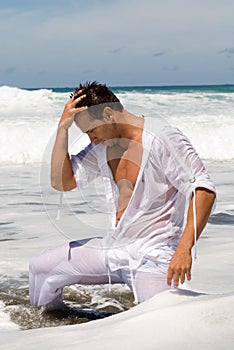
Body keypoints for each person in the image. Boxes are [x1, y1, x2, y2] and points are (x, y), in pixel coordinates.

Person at [29, 81, 216, 309]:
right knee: (41, 269)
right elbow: (61, 182)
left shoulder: (161, 138)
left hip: (153, 254)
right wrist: (62, 130)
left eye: (91, 130)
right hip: (115, 248)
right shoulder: (103, 145)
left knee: (160, 318)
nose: (91, 139)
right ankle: (54, 325)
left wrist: (184, 250)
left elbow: (202, 189)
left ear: (108, 114)